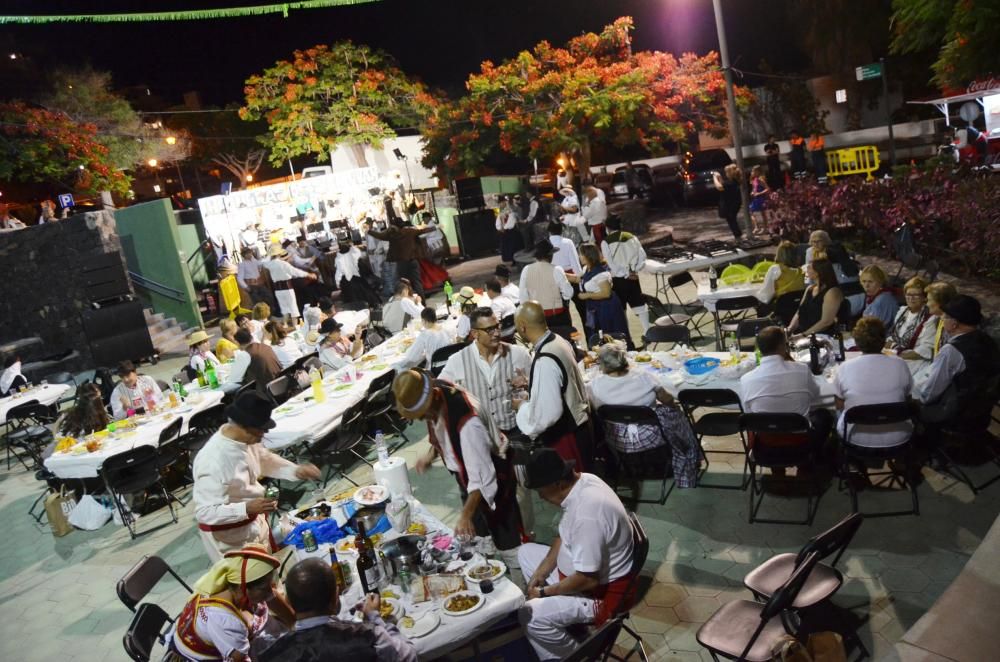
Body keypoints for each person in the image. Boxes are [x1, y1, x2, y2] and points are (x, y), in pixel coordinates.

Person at [517, 449, 635, 661]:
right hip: (581, 578)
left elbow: (588, 580)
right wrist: (542, 572)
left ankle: (576, 656)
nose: (540, 496)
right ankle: (563, 625)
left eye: (540, 490)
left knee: (529, 616)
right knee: (525, 552)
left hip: (600, 596)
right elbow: (564, 535)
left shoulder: (587, 515)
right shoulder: (585, 480)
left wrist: (545, 593)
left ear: (558, 484)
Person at [395, 370, 524, 553]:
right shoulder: (439, 390)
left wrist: (465, 515)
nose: (423, 419)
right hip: (469, 477)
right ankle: (486, 555)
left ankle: (519, 572)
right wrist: (431, 455)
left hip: (495, 479)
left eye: (423, 414)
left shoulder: (468, 424)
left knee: (509, 542)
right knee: (479, 537)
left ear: (433, 398)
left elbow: (482, 479)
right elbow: (445, 433)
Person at [439, 307, 535, 533]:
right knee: (483, 493)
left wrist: (524, 391)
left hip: (513, 436)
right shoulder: (458, 361)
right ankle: (491, 540)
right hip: (480, 441)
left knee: (520, 495)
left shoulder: (518, 354)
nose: (496, 332)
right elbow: (441, 392)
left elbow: (534, 388)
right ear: (474, 333)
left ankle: (525, 537)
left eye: (497, 326)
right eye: (489, 329)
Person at [193, 393, 320, 560]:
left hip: (253, 523)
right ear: (243, 426)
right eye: (261, 430)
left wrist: (295, 471)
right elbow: (205, 512)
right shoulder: (213, 460)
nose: (264, 434)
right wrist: (246, 508)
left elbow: (264, 458)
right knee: (251, 582)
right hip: (229, 538)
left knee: (268, 569)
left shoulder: (248, 440)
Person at [260, 558, 416, 662]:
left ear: (288, 602)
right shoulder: (368, 636)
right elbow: (409, 656)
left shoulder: (272, 655)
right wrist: (375, 618)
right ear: (336, 599)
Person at [589, 344, 699, 487]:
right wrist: (674, 407)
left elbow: (595, 410)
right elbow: (667, 399)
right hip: (651, 436)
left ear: (602, 364)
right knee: (677, 415)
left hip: (617, 439)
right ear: (624, 360)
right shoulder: (643, 376)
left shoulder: (594, 385)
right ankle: (688, 461)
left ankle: (618, 467)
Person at [165, 545, 292, 661]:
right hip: (202, 655)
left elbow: (276, 601)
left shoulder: (231, 581)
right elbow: (240, 659)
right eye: (264, 588)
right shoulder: (225, 621)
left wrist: (295, 624)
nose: (270, 593)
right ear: (244, 588)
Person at [513, 302, 592, 469]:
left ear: (523, 327)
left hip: (566, 437)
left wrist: (521, 407)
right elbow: (563, 380)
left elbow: (548, 414)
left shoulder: (545, 359)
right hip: (582, 426)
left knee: (572, 490)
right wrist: (533, 385)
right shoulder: (558, 340)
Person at [740, 326, 833, 461]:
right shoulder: (801, 370)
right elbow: (815, 395)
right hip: (800, 444)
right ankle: (807, 468)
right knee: (824, 415)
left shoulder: (746, 379)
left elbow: (749, 415)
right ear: (782, 346)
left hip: (766, 446)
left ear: (759, 349)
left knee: (768, 421)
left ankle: (777, 472)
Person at [919, 295, 1000, 427]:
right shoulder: (988, 341)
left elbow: (929, 394)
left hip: (953, 416)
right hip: (981, 414)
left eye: (944, 317)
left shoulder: (952, 350)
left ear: (954, 323)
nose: (941, 319)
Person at [833, 317, 913, 448]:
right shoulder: (900, 364)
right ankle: (902, 462)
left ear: (857, 342)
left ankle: (845, 459)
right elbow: (907, 397)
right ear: (883, 341)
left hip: (857, 437)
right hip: (899, 435)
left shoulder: (844, 368)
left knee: (834, 411)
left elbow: (839, 404)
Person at [570, 243, 633, 349]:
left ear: (588, 256)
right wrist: (560, 273)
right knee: (599, 335)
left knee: (611, 334)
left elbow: (606, 293)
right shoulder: (586, 268)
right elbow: (578, 279)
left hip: (607, 308)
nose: (579, 257)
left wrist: (586, 296)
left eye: (581, 254)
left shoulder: (602, 273)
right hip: (595, 308)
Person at [601, 215, 650, 338]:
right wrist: (633, 271)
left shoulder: (605, 242)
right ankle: (648, 332)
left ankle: (626, 337)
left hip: (618, 280)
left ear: (607, 227)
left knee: (622, 310)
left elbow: (611, 264)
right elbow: (642, 256)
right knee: (640, 305)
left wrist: (626, 274)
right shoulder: (632, 237)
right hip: (634, 277)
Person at [366, 218, 434, 299]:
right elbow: (422, 231)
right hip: (413, 261)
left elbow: (380, 236)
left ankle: (410, 302)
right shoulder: (409, 231)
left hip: (401, 263)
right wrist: (433, 227)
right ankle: (422, 301)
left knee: (405, 284)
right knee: (417, 282)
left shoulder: (392, 234)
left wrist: (369, 231)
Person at [519, 241, 574, 329]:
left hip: (537, 317)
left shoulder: (526, 270)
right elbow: (568, 294)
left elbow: (523, 299)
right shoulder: (557, 270)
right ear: (550, 255)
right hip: (557, 315)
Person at [787, 258, 846, 337]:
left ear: (818, 272)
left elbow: (826, 322)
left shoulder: (832, 292)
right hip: (805, 332)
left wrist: (803, 335)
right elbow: (800, 311)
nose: (807, 269)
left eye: (809, 267)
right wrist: (790, 329)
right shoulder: (810, 289)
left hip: (823, 335)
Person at [262, 244, 316, 321]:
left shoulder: (269, 264)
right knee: (293, 309)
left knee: (284, 310)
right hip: (287, 288)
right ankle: (295, 326)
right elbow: (295, 272)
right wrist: (308, 274)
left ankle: (285, 325)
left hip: (278, 290)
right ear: (279, 254)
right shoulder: (283, 264)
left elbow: (264, 261)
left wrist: (269, 254)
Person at [888, 277, 935, 360]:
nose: (911, 298)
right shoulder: (902, 311)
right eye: (908, 294)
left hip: (913, 360)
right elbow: (893, 337)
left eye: (916, 295)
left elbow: (926, 349)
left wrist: (898, 356)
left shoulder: (930, 318)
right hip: (894, 354)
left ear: (924, 298)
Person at [229, 328, 283, 398]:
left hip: (266, 392)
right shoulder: (265, 346)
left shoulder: (245, 355)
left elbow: (234, 379)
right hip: (281, 383)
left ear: (237, 342)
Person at [396, 307, 454, 371]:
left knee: (402, 367)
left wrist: (406, 352)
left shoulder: (425, 334)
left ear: (424, 321)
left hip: (436, 368)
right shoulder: (445, 328)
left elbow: (412, 356)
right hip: (450, 364)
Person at [755, 240, 805, 306]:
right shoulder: (801, 270)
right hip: (798, 306)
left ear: (779, 254)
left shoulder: (775, 269)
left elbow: (766, 294)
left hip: (781, 307)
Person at [334, 240, 380, 308]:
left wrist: (337, 283)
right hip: (357, 278)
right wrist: (352, 246)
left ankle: (358, 308)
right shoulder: (353, 254)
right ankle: (371, 305)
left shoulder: (338, 259)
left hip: (347, 281)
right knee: (365, 293)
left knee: (353, 297)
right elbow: (358, 253)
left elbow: (339, 272)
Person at [925, 281, 958, 358]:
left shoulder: (952, 327)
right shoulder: (938, 320)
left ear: (940, 303)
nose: (927, 304)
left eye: (929, 300)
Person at [712, 163, 743, 242]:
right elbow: (723, 184)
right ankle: (738, 236)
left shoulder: (731, 183)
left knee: (732, 220)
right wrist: (719, 178)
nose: (726, 174)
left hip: (730, 205)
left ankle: (738, 237)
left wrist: (715, 178)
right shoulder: (733, 181)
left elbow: (719, 187)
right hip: (734, 203)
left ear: (730, 173)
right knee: (731, 220)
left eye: (726, 172)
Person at [496, 196, 522, 265]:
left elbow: (512, 220)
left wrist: (504, 227)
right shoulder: (501, 211)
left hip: (511, 231)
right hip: (505, 232)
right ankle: (512, 260)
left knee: (514, 247)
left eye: (501, 203)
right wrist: (499, 228)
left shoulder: (510, 210)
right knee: (508, 248)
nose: (500, 204)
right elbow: (498, 220)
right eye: (499, 203)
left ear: (504, 202)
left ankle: (516, 260)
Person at [748, 165, 770, 236]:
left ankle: (764, 228)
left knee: (761, 213)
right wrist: (752, 192)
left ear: (757, 172)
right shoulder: (754, 180)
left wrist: (759, 193)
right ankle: (758, 227)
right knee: (751, 211)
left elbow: (767, 188)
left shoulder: (760, 180)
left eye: (753, 171)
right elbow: (754, 188)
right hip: (756, 198)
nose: (752, 172)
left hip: (760, 198)